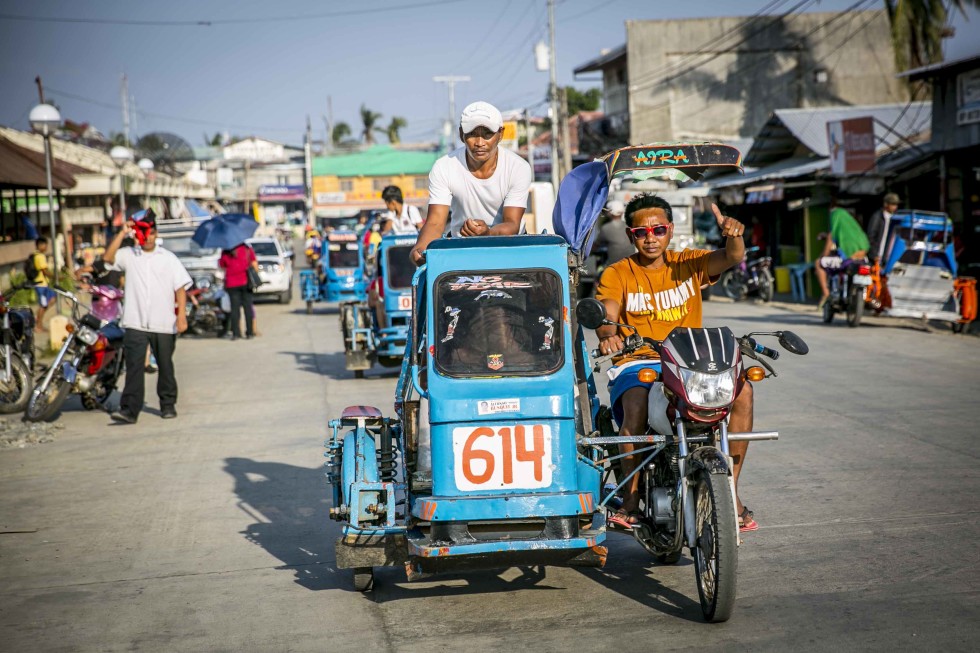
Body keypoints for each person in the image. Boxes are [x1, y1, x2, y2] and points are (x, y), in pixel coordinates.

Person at [593, 194, 759, 532]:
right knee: (636, 400)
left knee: (743, 393)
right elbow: (607, 311)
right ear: (630, 235)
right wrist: (609, 332)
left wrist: (734, 234)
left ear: (670, 231)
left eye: (658, 229)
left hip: (691, 362)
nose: (650, 237)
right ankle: (632, 499)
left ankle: (731, 491)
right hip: (641, 360)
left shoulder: (689, 263)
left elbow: (731, 257)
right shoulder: (618, 273)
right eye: (641, 231)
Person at [410, 101, 532, 265]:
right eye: (472, 134)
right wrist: (421, 249)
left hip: (509, 248)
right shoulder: (444, 167)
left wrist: (487, 234)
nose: (480, 142)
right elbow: (435, 222)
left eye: (487, 133)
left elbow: (512, 223)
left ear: (501, 134)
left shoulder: (518, 167)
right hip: (461, 250)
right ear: (462, 134)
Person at [103, 209, 191, 423]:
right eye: (144, 233)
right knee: (134, 367)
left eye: (151, 232)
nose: (148, 237)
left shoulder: (168, 259)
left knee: (165, 366)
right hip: (135, 322)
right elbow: (107, 259)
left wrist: (181, 317)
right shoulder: (129, 255)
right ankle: (129, 411)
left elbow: (180, 288)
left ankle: (168, 404)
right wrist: (123, 233)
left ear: (156, 234)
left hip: (163, 323)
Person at [815, 203, 870, 307]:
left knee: (819, 263)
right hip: (863, 259)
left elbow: (830, 240)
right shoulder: (853, 227)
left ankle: (826, 293)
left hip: (847, 260)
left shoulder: (836, 217)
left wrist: (823, 256)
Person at [219, 242, 259, 340]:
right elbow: (254, 263)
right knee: (248, 308)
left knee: (234, 310)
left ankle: (236, 333)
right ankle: (249, 333)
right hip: (246, 282)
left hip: (232, 284)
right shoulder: (246, 248)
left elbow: (222, 265)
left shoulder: (225, 251)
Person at [594, 200, 634, 266]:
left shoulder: (606, 228)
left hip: (614, 265)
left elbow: (596, 245)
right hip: (629, 264)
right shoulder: (629, 226)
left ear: (610, 213)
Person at [27, 237, 55, 332]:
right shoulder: (40, 256)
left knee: (51, 299)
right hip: (40, 285)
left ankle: (38, 319)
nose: (46, 247)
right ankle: (38, 325)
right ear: (40, 245)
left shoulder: (36, 255)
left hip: (44, 284)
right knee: (43, 305)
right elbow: (45, 271)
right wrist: (56, 277)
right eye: (45, 245)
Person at [866, 192, 900, 262]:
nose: (895, 207)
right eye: (893, 204)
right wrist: (874, 254)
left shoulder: (896, 218)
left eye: (896, 204)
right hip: (877, 257)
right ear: (886, 204)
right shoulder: (877, 217)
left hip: (888, 258)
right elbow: (871, 236)